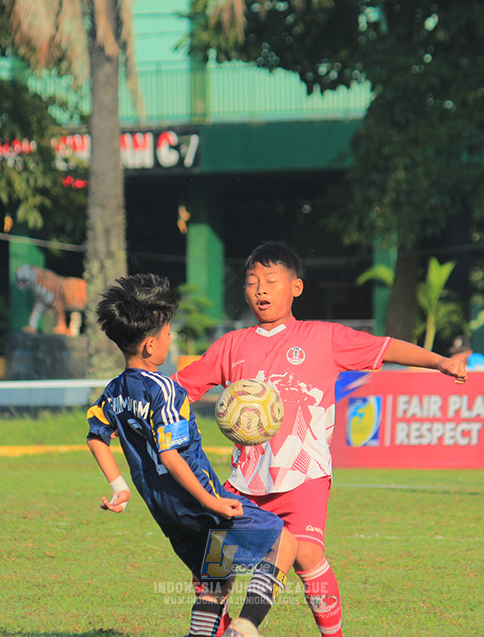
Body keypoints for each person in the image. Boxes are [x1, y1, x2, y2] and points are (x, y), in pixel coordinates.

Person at [173, 242, 468, 637]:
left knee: (307, 555)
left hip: (304, 473)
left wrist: (439, 361)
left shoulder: (323, 337)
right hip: (244, 480)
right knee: (215, 570)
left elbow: (385, 347)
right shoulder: (231, 345)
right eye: (252, 282)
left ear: (295, 287)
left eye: (270, 281)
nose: (260, 290)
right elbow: (179, 390)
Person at [88, 273, 298, 637]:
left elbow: (95, 436)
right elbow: (171, 456)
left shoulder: (114, 390)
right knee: (285, 542)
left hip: (164, 509)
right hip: (198, 498)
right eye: (169, 334)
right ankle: (245, 628)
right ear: (151, 346)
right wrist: (212, 502)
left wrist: (119, 487)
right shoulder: (166, 390)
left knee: (216, 579)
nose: (171, 339)